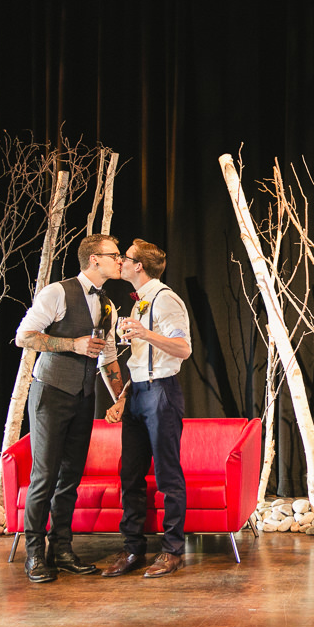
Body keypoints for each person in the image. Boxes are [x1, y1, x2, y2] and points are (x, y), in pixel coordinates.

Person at [14, 234, 125, 582]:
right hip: (51, 392)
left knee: (69, 479)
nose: (120, 261)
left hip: (83, 396)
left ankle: (60, 549)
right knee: (44, 475)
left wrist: (120, 397)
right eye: (115, 255)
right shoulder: (58, 292)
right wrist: (71, 344)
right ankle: (34, 555)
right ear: (94, 259)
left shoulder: (108, 304)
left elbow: (107, 357)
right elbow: (25, 336)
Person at [101, 239, 193, 579]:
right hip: (139, 393)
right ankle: (133, 549)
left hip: (161, 394)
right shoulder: (140, 302)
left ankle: (172, 551)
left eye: (125, 258)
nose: (120, 262)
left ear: (139, 266)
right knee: (131, 475)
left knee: (168, 474)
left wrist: (146, 332)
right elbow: (140, 360)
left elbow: (183, 349)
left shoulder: (165, 299)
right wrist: (124, 396)